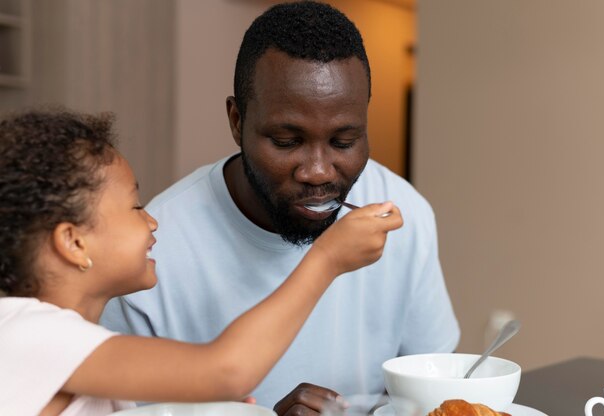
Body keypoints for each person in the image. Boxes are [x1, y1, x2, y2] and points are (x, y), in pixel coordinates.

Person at [102, 1, 460, 413]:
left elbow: (434, 388)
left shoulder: (405, 215)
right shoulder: (150, 248)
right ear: (237, 121)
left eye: (344, 142)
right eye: (287, 142)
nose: (319, 171)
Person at [0, 108, 402, 416]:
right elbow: (226, 372)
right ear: (73, 241)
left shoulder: (75, 349)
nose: (152, 219)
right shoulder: (27, 335)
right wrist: (327, 258)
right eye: (135, 207)